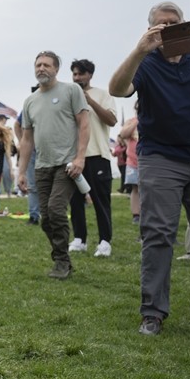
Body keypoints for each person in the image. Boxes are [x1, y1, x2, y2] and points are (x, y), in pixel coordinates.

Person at [108, 1, 190, 335]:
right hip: (161, 157)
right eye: (160, 24)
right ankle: (153, 313)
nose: (167, 29)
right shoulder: (145, 63)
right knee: (158, 233)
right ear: (149, 29)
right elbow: (118, 89)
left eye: (174, 23)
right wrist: (138, 51)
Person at [16, 51, 90, 280]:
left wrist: (80, 158)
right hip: (42, 166)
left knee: (56, 211)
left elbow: (84, 124)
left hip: (66, 164)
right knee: (46, 218)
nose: (41, 68)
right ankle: (63, 258)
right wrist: (21, 171)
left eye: (47, 64)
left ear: (56, 68)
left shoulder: (71, 90)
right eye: (38, 64)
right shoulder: (30, 101)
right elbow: (27, 139)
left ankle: (61, 261)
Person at [67, 59, 118, 259]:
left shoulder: (103, 95)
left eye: (80, 74)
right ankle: (80, 239)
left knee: (100, 201)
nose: (77, 78)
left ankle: (105, 241)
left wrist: (90, 101)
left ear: (90, 75)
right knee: (75, 201)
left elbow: (112, 120)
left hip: (98, 156)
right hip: (74, 156)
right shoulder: (69, 96)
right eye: (74, 74)